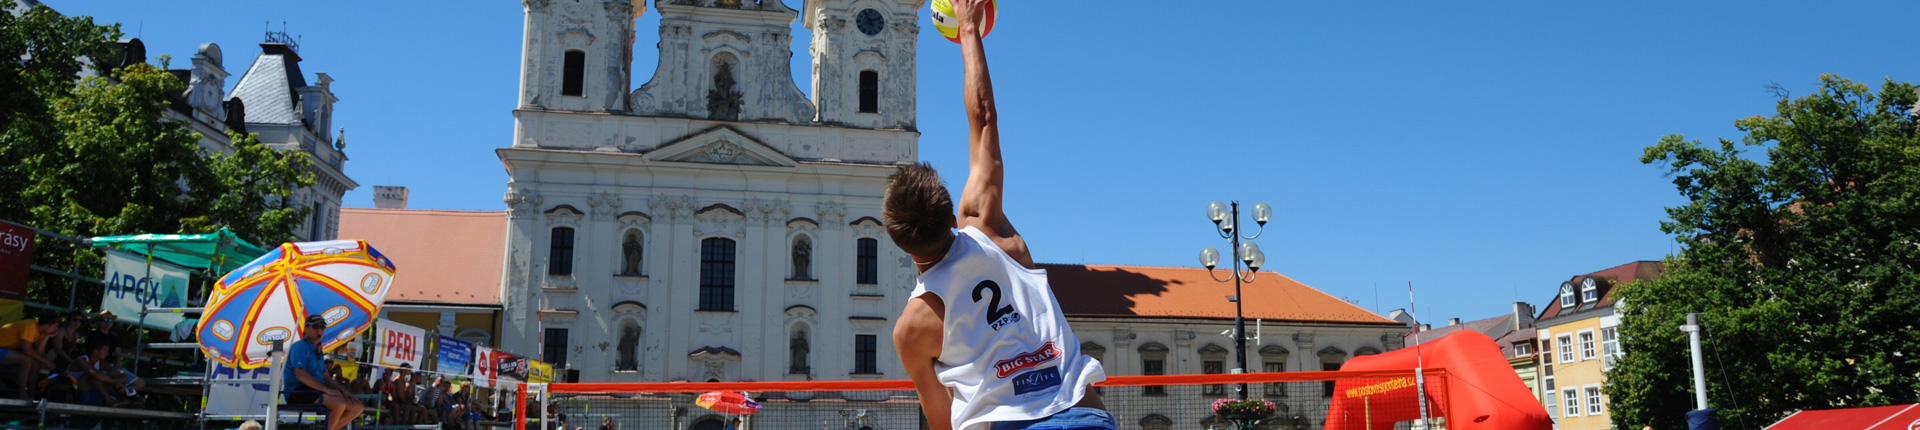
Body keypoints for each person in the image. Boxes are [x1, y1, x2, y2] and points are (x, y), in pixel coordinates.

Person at [886, 2, 1111, 429]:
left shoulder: (912, 327)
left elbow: (940, 418)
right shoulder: (986, 227)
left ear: (901, 245)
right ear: (951, 217)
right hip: (1083, 414)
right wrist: (969, 30)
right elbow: (984, 119)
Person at [284, 315, 365, 430]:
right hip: (297, 391)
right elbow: (300, 374)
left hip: (314, 391)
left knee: (358, 407)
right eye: (316, 327)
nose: (319, 330)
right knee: (339, 404)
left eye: (322, 327)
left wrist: (343, 391)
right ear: (306, 329)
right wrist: (327, 390)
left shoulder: (318, 351)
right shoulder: (299, 347)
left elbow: (325, 376)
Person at [0, 315, 58, 399]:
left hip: (4, 351)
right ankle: (22, 393)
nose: (56, 330)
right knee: (26, 360)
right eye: (55, 327)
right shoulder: (29, 325)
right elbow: (27, 350)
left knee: (35, 362)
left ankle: (31, 394)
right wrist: (47, 362)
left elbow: (38, 353)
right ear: (46, 326)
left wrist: (46, 337)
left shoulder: (42, 333)